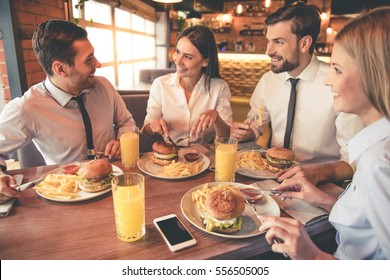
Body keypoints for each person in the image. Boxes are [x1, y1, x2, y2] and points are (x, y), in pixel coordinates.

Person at [260, 6, 390, 260]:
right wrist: (322, 198)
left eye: (338, 70)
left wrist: (312, 257)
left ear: (375, 76)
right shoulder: (374, 149)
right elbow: (366, 222)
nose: (328, 80)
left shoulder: (379, 164)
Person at [0, 20, 134, 201]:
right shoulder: (27, 108)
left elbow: (127, 122)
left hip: (118, 187)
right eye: (88, 59)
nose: (98, 64)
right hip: (67, 198)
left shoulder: (104, 86)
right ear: (60, 69)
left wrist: (121, 139)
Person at [230, 2, 363, 184]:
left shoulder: (337, 84)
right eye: (269, 40)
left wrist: (318, 173)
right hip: (268, 177)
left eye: (278, 42)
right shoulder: (268, 80)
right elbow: (257, 123)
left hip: (319, 185)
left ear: (305, 43)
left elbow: (354, 156)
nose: (268, 51)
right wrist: (248, 132)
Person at [142, 25, 232, 146]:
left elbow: (227, 137)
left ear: (205, 61)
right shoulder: (160, 84)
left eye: (188, 57)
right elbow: (146, 131)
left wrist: (217, 118)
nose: (178, 61)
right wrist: (153, 126)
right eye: (177, 52)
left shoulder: (219, 87)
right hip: (170, 156)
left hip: (205, 156)